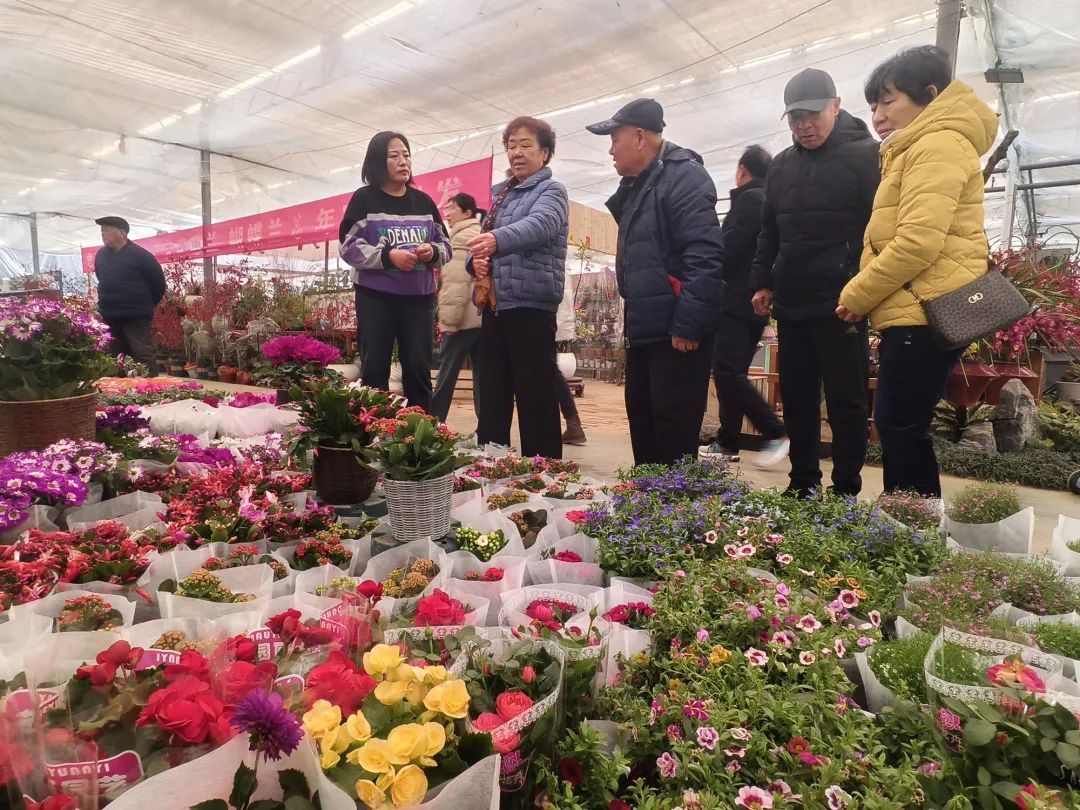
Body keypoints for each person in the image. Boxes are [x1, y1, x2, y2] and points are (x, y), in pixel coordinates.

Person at [838, 46, 997, 497]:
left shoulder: (937, 143)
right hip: (917, 308)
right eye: (873, 106)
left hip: (926, 309)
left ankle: (915, 533)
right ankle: (912, 528)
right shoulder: (915, 147)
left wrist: (857, 295)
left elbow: (917, 241)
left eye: (889, 101)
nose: (879, 116)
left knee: (899, 424)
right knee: (901, 424)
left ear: (929, 95)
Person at [749, 69, 880, 498]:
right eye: (794, 118)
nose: (803, 126)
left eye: (811, 114)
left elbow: (880, 232)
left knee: (846, 401)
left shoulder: (867, 156)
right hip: (793, 300)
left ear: (836, 105)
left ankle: (845, 489)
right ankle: (803, 481)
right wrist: (762, 281)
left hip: (844, 302)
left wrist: (864, 290)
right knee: (799, 398)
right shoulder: (782, 166)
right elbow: (769, 231)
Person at [586, 98, 725, 466]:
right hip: (646, 327)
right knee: (644, 422)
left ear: (640, 136)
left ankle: (674, 516)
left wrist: (688, 323)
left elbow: (705, 255)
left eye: (615, 139)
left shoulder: (684, 177)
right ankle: (645, 513)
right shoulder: (641, 184)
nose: (611, 149)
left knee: (673, 431)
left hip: (676, 331)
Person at [466, 116, 568, 458]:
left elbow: (541, 225)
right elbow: (480, 246)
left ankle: (544, 472)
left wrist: (494, 240)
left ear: (545, 152)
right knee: (493, 395)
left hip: (531, 306)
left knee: (534, 395)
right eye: (511, 146)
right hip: (496, 306)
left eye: (525, 145)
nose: (516, 153)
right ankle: (491, 469)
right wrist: (475, 262)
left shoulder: (551, 191)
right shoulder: (500, 197)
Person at [338, 131, 451, 412]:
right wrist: (389, 257)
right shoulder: (364, 200)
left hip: (419, 301)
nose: (403, 161)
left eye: (407, 154)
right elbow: (348, 246)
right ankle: (373, 435)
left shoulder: (424, 203)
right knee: (375, 370)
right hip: (377, 300)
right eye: (394, 156)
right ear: (377, 161)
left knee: (418, 371)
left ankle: (422, 438)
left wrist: (432, 252)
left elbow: (446, 246)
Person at [699, 146, 788, 466]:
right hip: (755, 302)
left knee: (727, 371)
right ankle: (727, 443)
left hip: (737, 300)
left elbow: (726, 251)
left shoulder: (749, 201)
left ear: (741, 171)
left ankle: (774, 431)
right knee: (731, 371)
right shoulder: (770, 199)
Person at [432, 192, 484, 424]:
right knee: (483, 378)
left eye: (452, 208)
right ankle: (487, 430)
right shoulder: (479, 233)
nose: (448, 213)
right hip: (481, 319)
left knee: (446, 375)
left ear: (467, 213)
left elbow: (456, 283)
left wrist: (449, 322)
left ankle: (432, 424)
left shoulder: (462, 238)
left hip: (462, 321)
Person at [93, 216, 166, 375]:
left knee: (142, 354)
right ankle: (121, 392)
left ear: (122, 232)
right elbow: (101, 278)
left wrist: (142, 306)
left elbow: (159, 285)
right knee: (116, 357)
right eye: (101, 231)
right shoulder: (101, 255)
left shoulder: (141, 256)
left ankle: (154, 388)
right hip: (110, 316)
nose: (103, 233)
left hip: (135, 316)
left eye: (107, 230)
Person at [555, 278, 587, 445]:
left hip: (543, 310)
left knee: (548, 368)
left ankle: (573, 423)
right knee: (549, 369)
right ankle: (573, 423)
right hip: (551, 310)